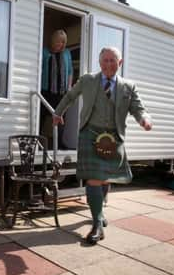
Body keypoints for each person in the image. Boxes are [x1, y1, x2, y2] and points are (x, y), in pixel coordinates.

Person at [53, 47, 152, 245]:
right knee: (94, 179)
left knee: (105, 179)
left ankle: (98, 212)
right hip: (90, 134)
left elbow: (138, 109)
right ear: (100, 63)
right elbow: (71, 96)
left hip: (113, 137)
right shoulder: (88, 80)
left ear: (120, 62)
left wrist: (145, 120)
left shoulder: (128, 86)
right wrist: (58, 112)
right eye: (105, 60)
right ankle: (97, 223)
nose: (108, 64)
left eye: (112, 60)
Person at [41, 29, 74, 149]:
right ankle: (39, 143)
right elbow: (40, 69)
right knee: (42, 118)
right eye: (58, 42)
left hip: (62, 93)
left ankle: (59, 144)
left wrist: (69, 86)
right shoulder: (44, 52)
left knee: (60, 119)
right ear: (53, 41)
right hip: (46, 91)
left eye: (62, 42)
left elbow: (70, 71)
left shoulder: (67, 53)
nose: (60, 44)